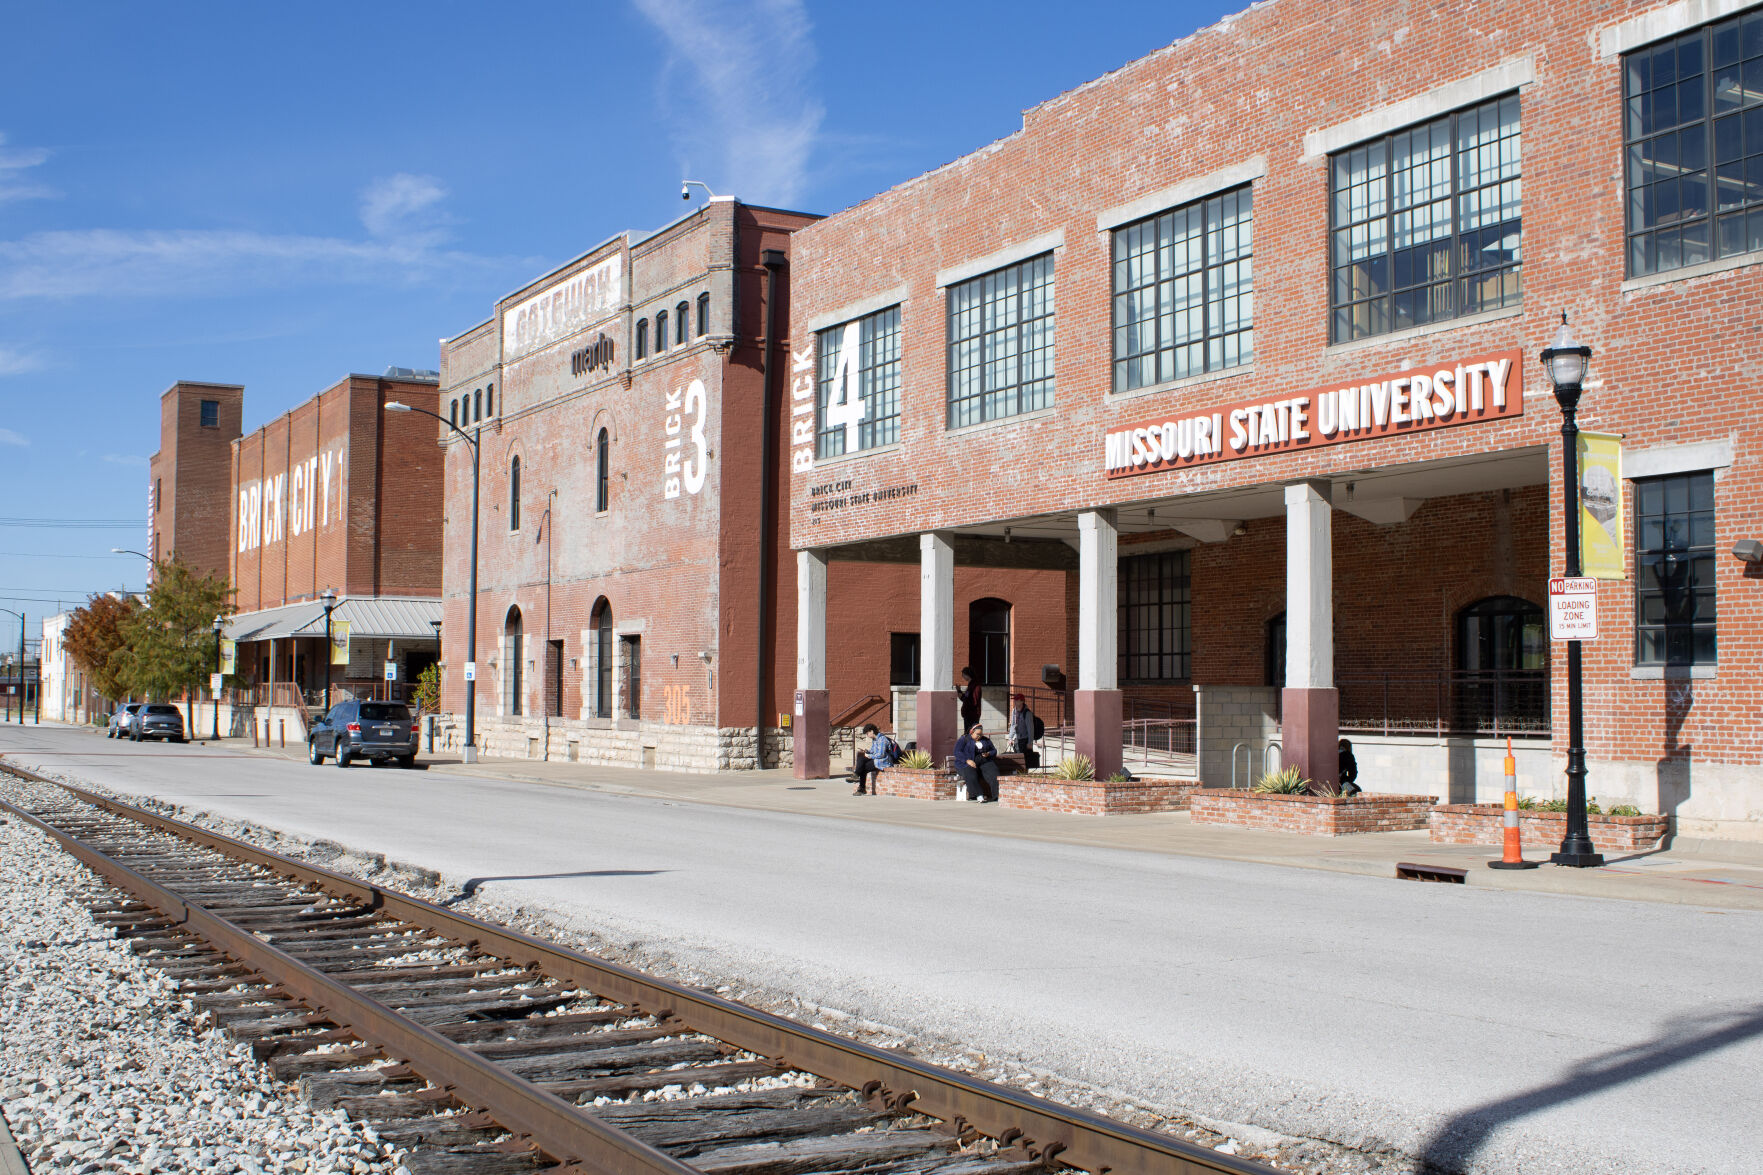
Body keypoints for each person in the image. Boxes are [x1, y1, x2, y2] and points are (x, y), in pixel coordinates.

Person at [952, 722, 1000, 803]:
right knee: (970, 772)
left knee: (993, 771)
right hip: (965, 763)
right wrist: (967, 760)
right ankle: (978, 795)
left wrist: (988, 754)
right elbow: (957, 752)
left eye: (981, 734)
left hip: (983, 761)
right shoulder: (964, 739)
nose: (979, 736)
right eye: (977, 734)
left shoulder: (985, 740)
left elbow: (993, 750)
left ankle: (997, 795)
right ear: (972, 732)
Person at [856, 723, 900, 795]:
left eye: (867, 733)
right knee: (861, 758)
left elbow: (881, 754)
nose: (867, 735)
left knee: (862, 767)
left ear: (872, 731)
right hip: (877, 759)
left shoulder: (882, 739)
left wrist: (870, 756)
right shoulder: (875, 740)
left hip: (884, 761)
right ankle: (857, 777)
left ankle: (861, 786)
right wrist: (867, 752)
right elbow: (873, 750)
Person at [1009, 693, 1040, 770]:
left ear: (1022, 701)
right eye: (1015, 700)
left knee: (1025, 761)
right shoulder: (1014, 711)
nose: (1015, 702)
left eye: (1017, 700)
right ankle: (1019, 775)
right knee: (1018, 761)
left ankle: (1024, 776)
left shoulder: (1027, 713)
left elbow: (1030, 729)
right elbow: (1013, 725)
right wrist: (1010, 738)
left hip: (1025, 740)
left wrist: (1030, 743)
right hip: (1017, 740)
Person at [956, 666, 981, 733]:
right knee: (968, 733)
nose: (963, 677)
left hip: (972, 715)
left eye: (963, 675)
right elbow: (965, 698)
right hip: (968, 715)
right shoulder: (970, 686)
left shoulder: (975, 686)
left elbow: (973, 701)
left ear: (968, 675)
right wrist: (959, 691)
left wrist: (967, 707)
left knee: (971, 733)